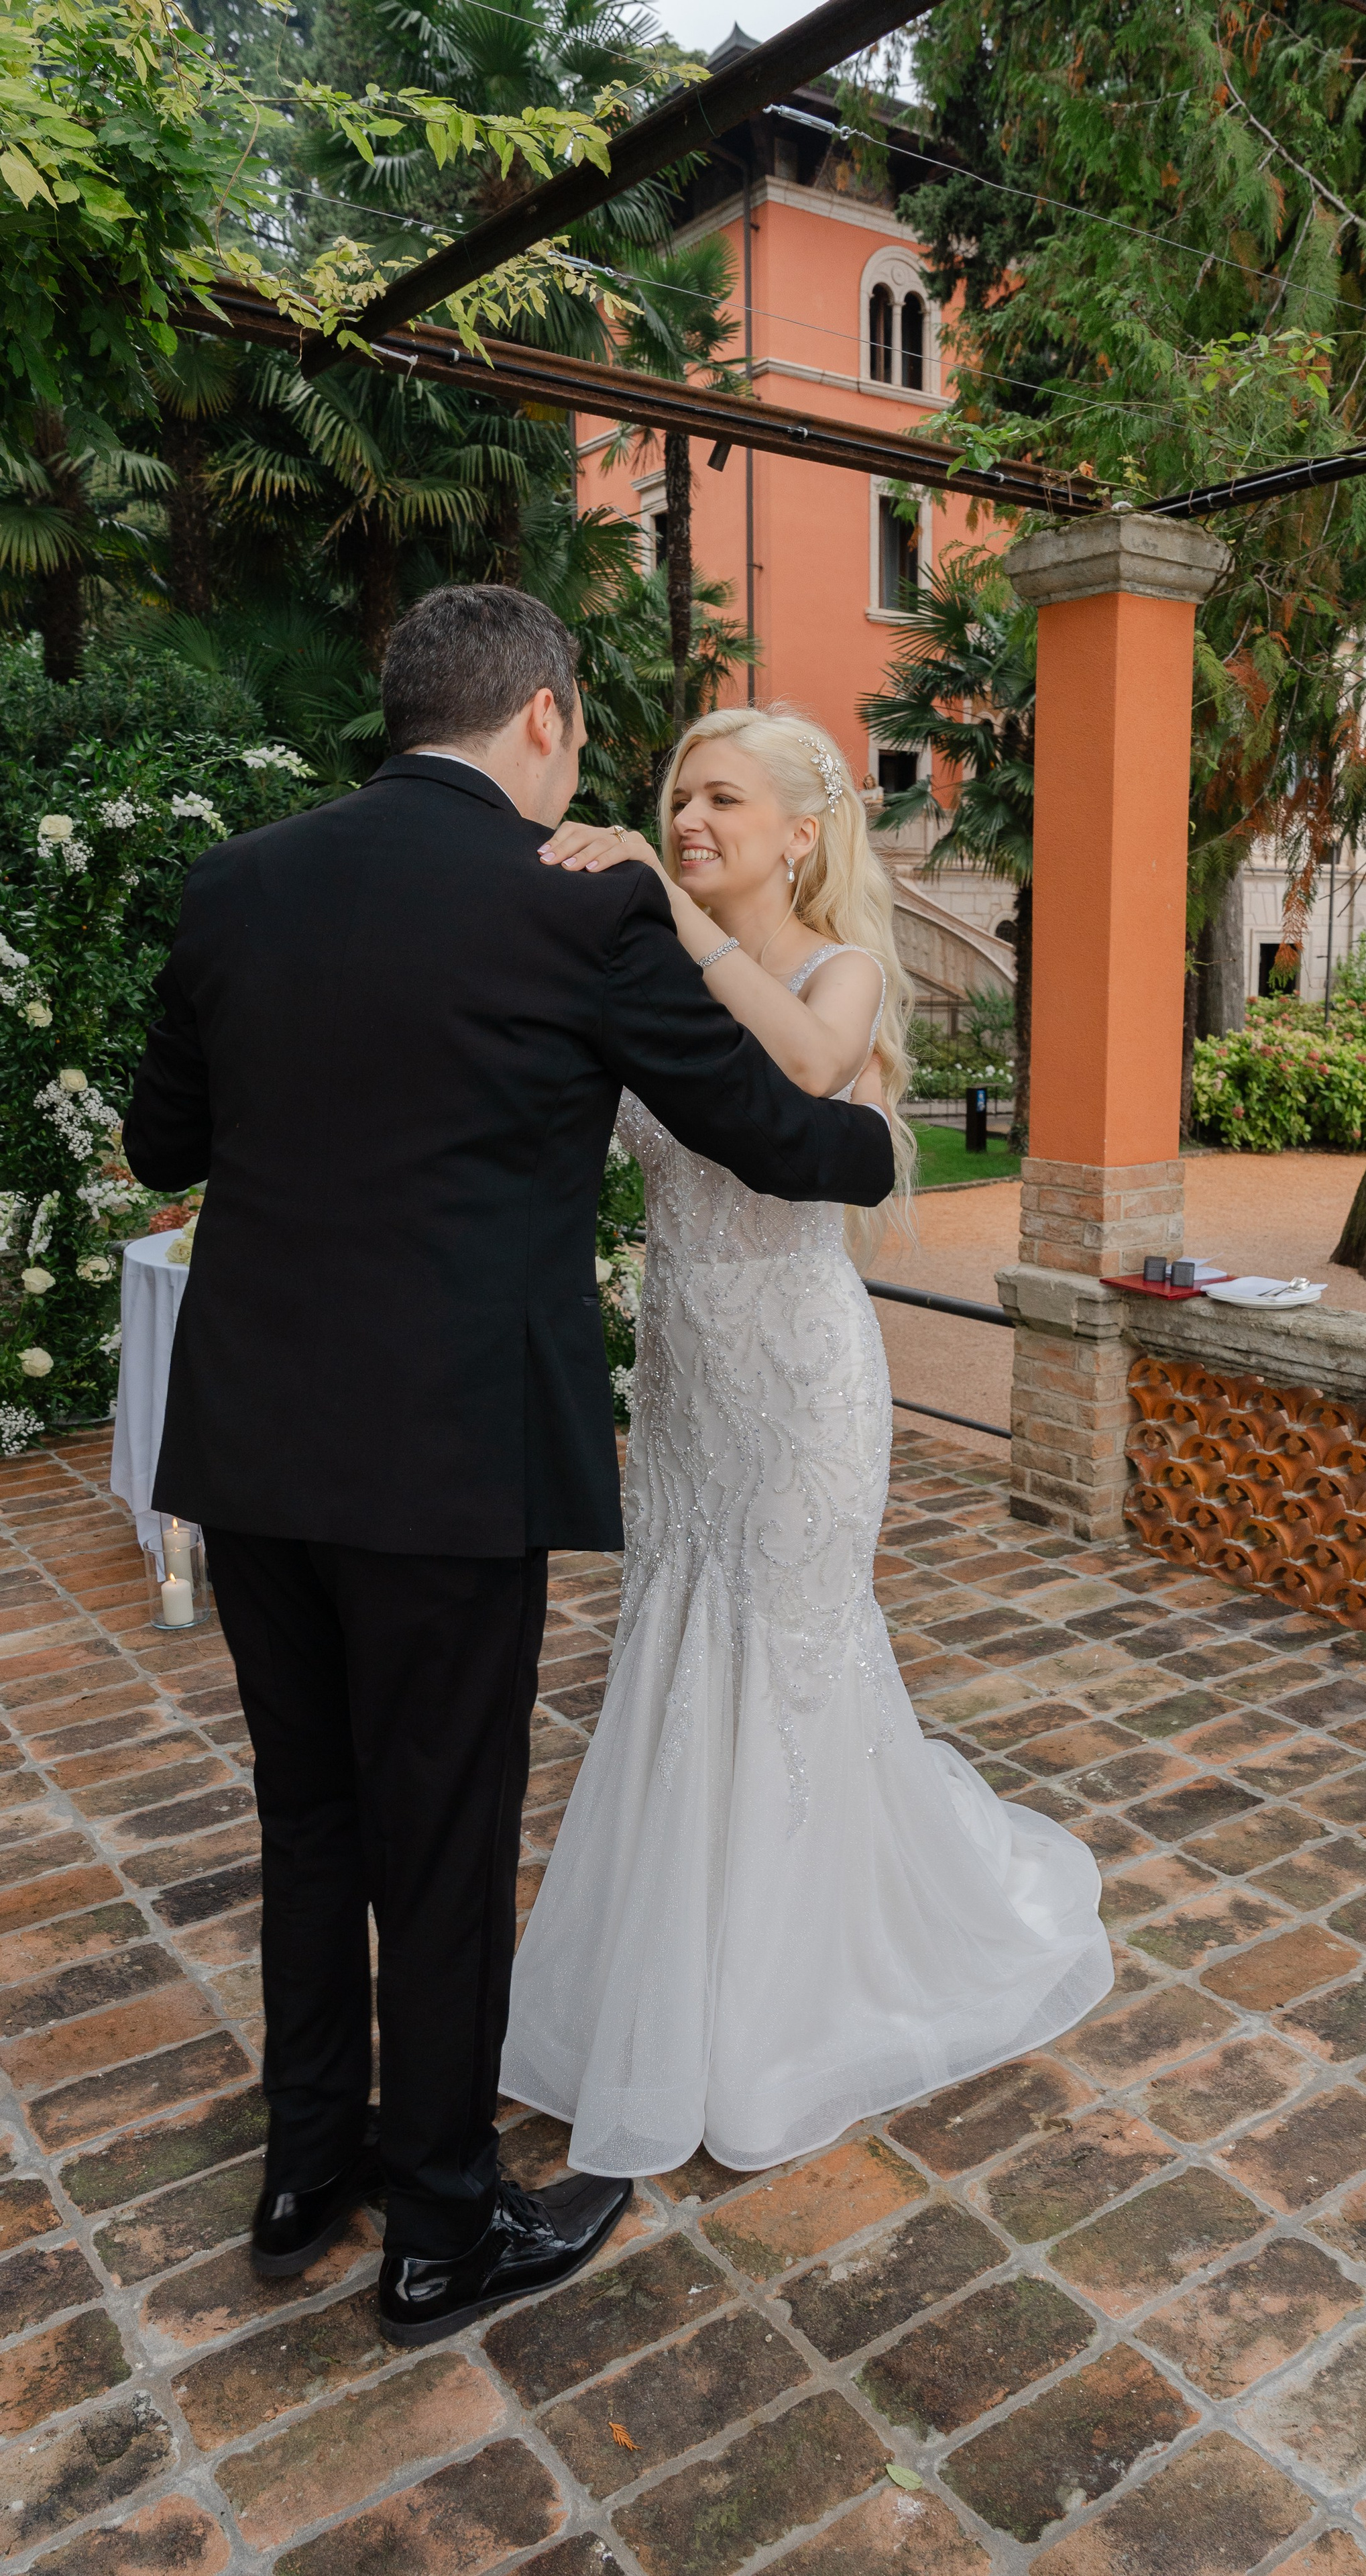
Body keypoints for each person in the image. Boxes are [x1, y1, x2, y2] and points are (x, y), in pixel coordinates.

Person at [121, 591, 895, 2347]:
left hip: (252, 1454)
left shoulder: (239, 887)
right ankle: (440, 2234)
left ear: (403, 715)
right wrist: (879, 1142)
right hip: (452, 1463)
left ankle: (306, 2174)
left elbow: (162, 1141)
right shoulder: (582, 904)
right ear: (543, 721)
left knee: (310, 1815)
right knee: (445, 1843)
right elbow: (774, 1133)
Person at [501, 707, 1113, 2178]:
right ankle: (671, 1980)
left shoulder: (830, 973)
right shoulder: (639, 987)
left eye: (721, 799)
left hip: (803, 1377)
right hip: (687, 1381)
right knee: (673, 1642)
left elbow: (804, 1072)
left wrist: (664, 906)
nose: (689, 816)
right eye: (674, 795)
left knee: (781, 1655)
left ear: (799, 832)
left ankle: (779, 2011)